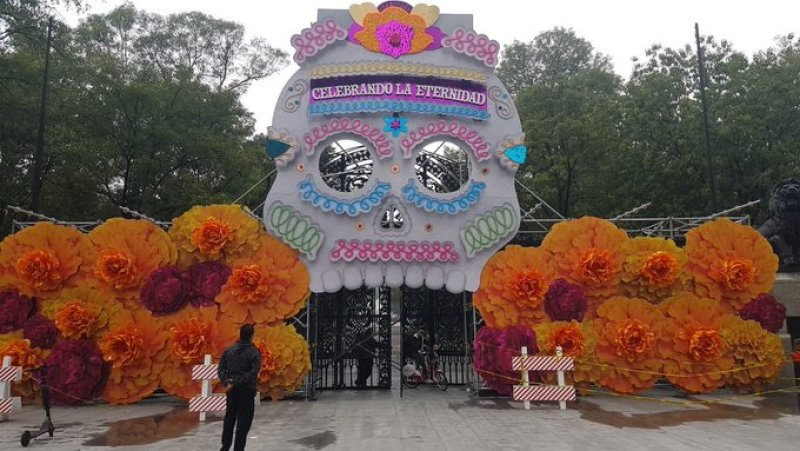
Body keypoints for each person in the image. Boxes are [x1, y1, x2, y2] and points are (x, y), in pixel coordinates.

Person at [218, 324, 261, 451]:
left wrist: (227, 382)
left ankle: (225, 446)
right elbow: (253, 372)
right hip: (247, 390)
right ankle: (238, 448)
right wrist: (238, 381)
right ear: (252, 336)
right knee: (244, 423)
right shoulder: (254, 352)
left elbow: (221, 369)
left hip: (232, 389)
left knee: (229, 419)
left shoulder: (229, 351)